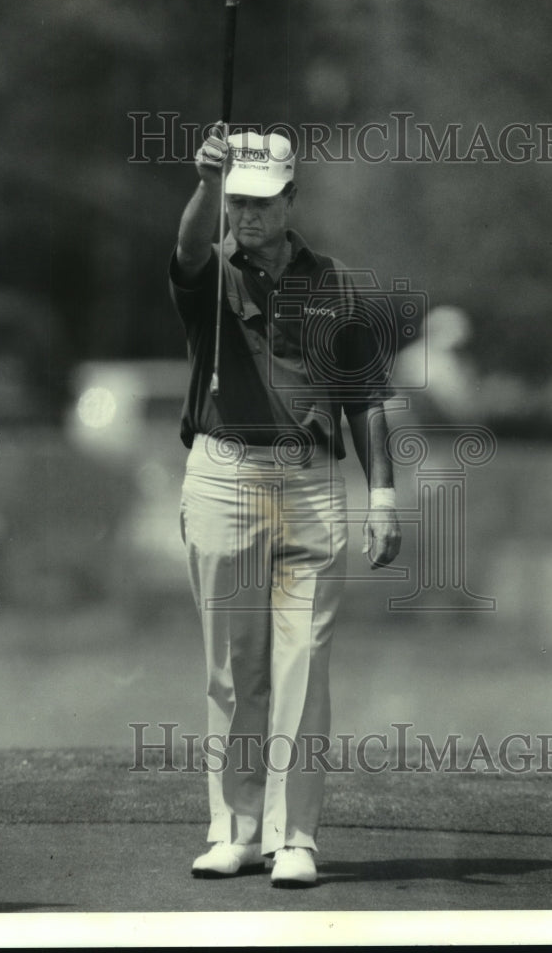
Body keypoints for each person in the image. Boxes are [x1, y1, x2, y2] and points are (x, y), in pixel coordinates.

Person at [168, 127, 401, 888]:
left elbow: (363, 397)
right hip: (223, 474)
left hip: (308, 483)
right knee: (233, 670)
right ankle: (232, 830)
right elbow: (191, 247)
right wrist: (205, 185)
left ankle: (292, 838)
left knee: (303, 661)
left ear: (291, 200)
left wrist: (383, 497)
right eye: (238, 200)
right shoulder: (209, 273)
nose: (248, 215)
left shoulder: (331, 283)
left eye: (261, 202)